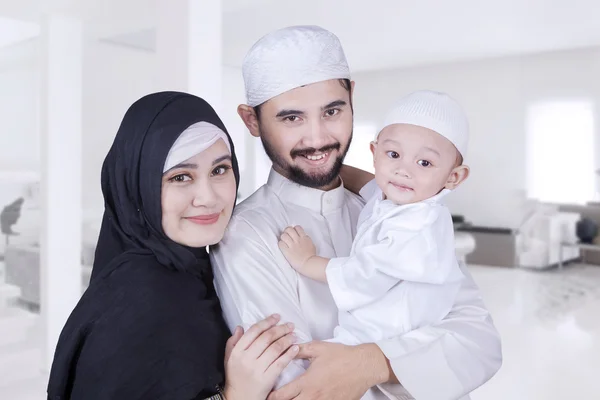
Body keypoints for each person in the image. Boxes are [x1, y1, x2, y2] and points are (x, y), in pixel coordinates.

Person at [210, 26, 502, 400]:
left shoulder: (395, 208)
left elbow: (479, 340)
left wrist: (374, 362)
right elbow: (300, 388)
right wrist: (416, 359)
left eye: (332, 110)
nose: (317, 138)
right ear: (252, 121)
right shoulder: (247, 233)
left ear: (352, 97)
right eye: (291, 118)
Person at [47, 91, 299, 400]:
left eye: (219, 170)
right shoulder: (139, 303)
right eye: (180, 177)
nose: (207, 197)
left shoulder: (192, 273)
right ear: (137, 186)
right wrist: (236, 396)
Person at [278, 90, 471, 391]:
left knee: (320, 376)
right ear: (375, 151)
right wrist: (324, 166)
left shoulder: (420, 226)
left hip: (392, 338)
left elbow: (364, 275)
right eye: (393, 155)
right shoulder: (397, 200)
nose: (403, 170)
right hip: (379, 332)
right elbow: (368, 185)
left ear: (454, 177)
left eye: (424, 163)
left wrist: (307, 261)